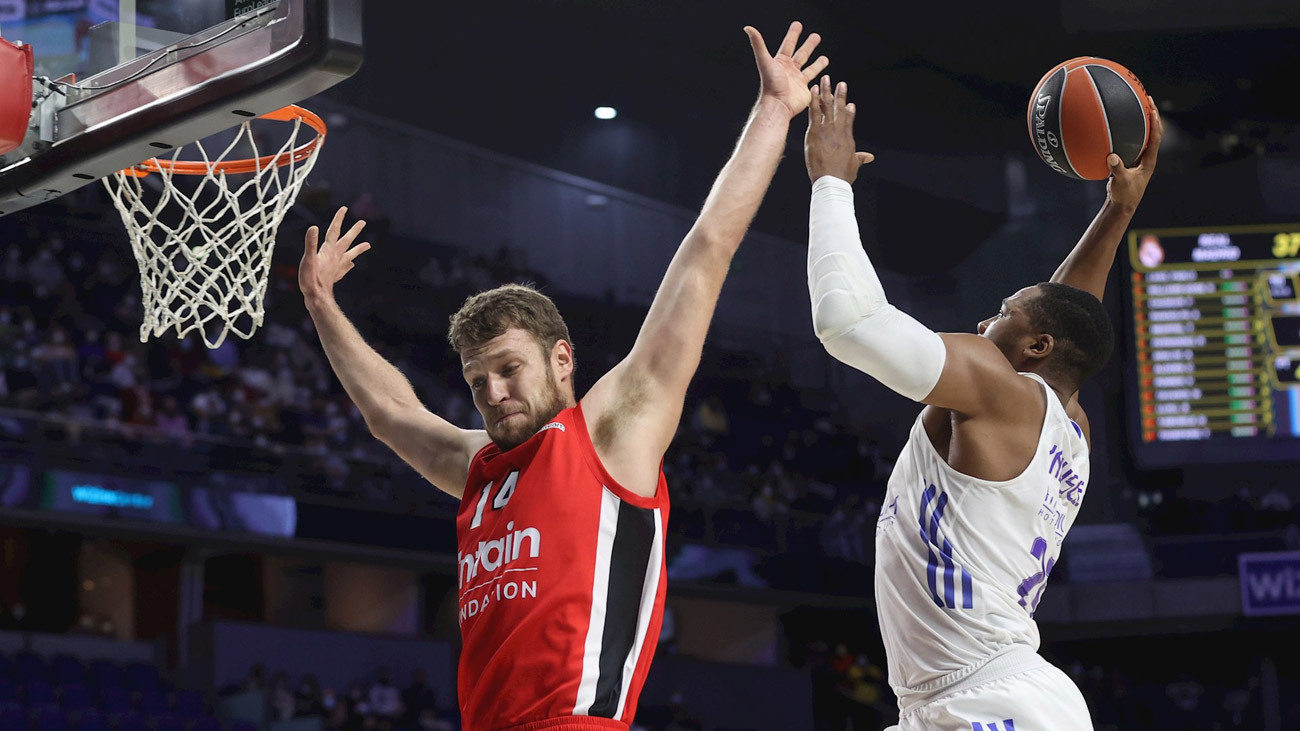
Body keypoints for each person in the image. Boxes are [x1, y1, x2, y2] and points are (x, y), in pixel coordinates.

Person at [299, 21, 829, 731]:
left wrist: (773, 110)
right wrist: (320, 302)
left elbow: (707, 250)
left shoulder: (613, 427)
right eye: (477, 379)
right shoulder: (479, 467)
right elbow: (392, 411)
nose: (492, 393)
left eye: (509, 369)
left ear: (561, 358)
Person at [801, 75, 1161, 729]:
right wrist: (1117, 210)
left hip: (989, 700)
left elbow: (847, 323)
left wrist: (830, 183)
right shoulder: (1067, 422)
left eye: (1000, 314)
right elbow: (1067, 310)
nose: (982, 324)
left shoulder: (1003, 391)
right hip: (983, 695)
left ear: (1034, 347)